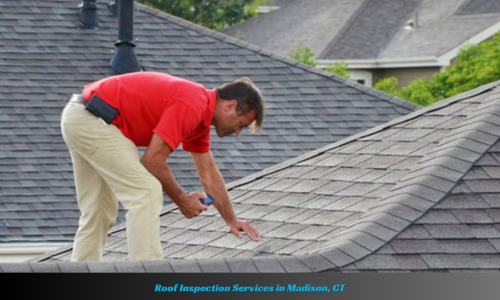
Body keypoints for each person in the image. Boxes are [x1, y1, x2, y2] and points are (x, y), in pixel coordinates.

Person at [60, 71, 264, 261]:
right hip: (93, 120)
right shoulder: (192, 104)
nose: (238, 132)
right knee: (146, 192)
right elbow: (152, 161)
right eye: (241, 124)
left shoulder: (200, 117)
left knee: (98, 212)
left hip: (80, 116)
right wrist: (182, 200)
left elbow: (208, 173)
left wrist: (231, 220)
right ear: (230, 106)